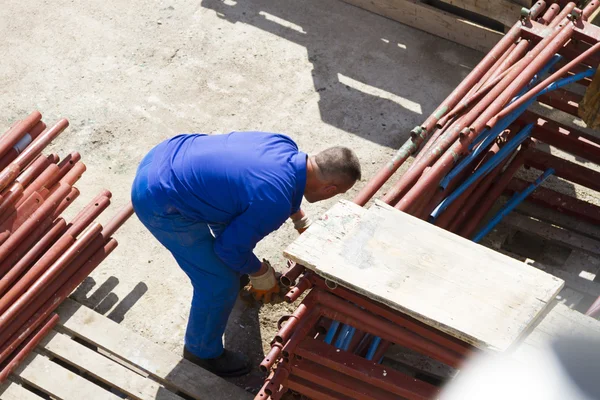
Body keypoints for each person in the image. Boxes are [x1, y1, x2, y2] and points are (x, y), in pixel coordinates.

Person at [131, 131, 361, 377]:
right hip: (158, 198)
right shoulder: (274, 202)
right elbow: (229, 247)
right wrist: (260, 272)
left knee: (233, 214)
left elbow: (273, 185)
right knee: (218, 281)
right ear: (330, 189)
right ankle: (201, 352)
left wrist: (300, 219)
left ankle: (237, 274)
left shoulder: (284, 145)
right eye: (337, 193)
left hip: (165, 155)